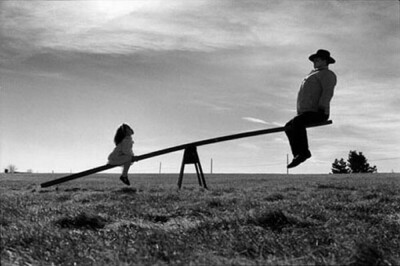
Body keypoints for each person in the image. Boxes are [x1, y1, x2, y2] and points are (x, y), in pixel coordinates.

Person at [285, 49, 337, 168]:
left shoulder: (327, 74)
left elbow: (327, 92)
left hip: (319, 111)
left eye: (318, 59)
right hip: (306, 112)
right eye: (314, 59)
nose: (315, 61)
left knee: (297, 122)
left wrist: (322, 108)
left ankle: (304, 152)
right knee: (288, 126)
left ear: (325, 61)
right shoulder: (312, 74)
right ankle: (298, 154)